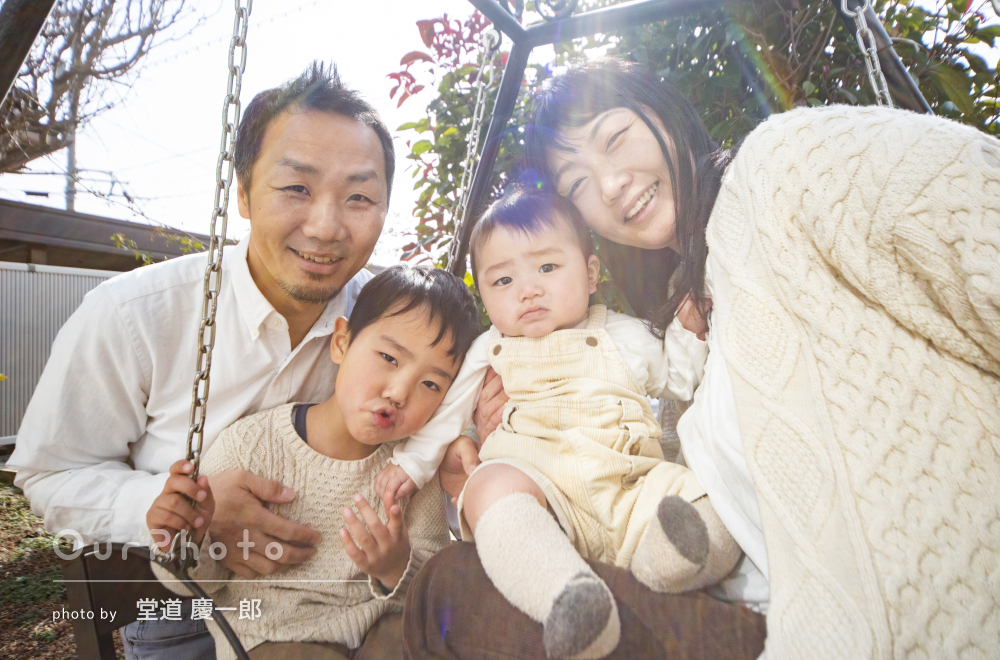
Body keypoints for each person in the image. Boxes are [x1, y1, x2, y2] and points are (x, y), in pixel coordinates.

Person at [413, 58, 1000, 659]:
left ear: (663, 109)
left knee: (445, 593)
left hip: (910, 619)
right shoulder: (683, 307)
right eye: (579, 185)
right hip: (775, 621)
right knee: (454, 581)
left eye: (615, 139)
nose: (611, 185)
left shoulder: (782, 167)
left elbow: (975, 225)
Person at [8, 61, 472, 659]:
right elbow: (49, 471)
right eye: (297, 188)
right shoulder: (135, 315)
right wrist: (173, 510)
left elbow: (447, 384)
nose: (327, 226)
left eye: (360, 197)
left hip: (351, 593)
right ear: (245, 193)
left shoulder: (383, 324)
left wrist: (462, 433)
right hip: (188, 603)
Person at [376, 187, 737, 659]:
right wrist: (414, 462)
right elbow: (447, 414)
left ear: (590, 274)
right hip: (540, 490)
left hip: (630, 482)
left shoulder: (623, 333)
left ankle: (660, 565)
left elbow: (679, 376)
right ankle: (565, 596)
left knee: (704, 500)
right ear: (483, 293)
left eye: (547, 268)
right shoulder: (491, 347)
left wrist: (688, 325)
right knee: (490, 488)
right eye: (503, 281)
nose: (528, 289)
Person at [146, 266, 481, 660]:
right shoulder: (252, 446)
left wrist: (395, 566)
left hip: (382, 627)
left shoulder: (411, 467)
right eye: (389, 357)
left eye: (431, 384)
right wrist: (185, 537)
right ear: (341, 343)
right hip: (274, 637)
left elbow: (431, 587)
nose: (398, 392)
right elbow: (195, 584)